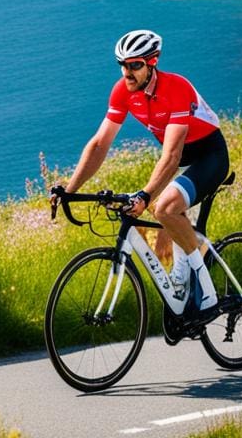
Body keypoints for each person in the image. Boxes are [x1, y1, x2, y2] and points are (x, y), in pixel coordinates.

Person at [55, 29, 231, 317]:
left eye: (135, 65)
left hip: (209, 156)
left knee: (164, 207)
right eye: (123, 65)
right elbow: (100, 144)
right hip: (181, 157)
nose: (128, 72)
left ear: (152, 63)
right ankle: (181, 280)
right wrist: (69, 189)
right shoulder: (123, 92)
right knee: (163, 211)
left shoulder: (176, 88)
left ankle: (206, 289)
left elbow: (172, 156)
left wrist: (147, 195)